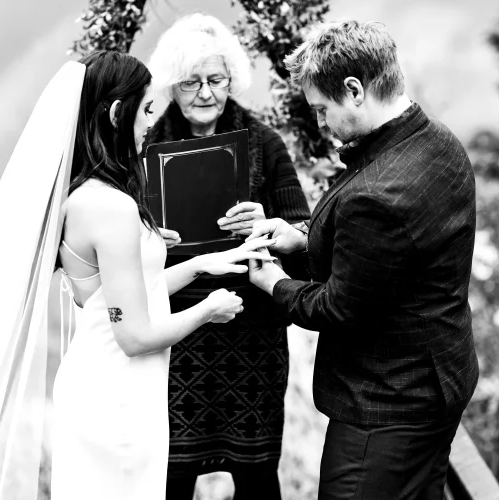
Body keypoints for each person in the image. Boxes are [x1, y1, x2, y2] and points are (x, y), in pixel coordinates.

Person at [0, 51, 275, 500]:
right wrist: (208, 309)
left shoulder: (82, 195)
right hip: (119, 398)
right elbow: (135, 336)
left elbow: (109, 299)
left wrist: (199, 265)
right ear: (119, 113)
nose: (148, 125)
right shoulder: (113, 208)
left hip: (100, 386)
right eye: (145, 110)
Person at [248, 21, 480, 500]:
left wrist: (273, 282)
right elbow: (387, 264)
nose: (319, 124)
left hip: (387, 408)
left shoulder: (378, 194)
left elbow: (339, 309)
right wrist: (301, 238)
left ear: (354, 90)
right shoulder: (437, 141)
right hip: (442, 379)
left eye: (322, 109)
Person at [145, 13, 311, 500]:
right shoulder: (147, 145)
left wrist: (268, 223)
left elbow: (305, 232)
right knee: (168, 477)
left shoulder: (264, 143)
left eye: (216, 80)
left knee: (257, 477)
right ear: (172, 86)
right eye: (191, 82)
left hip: (251, 334)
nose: (204, 93)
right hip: (174, 335)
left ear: (232, 80)